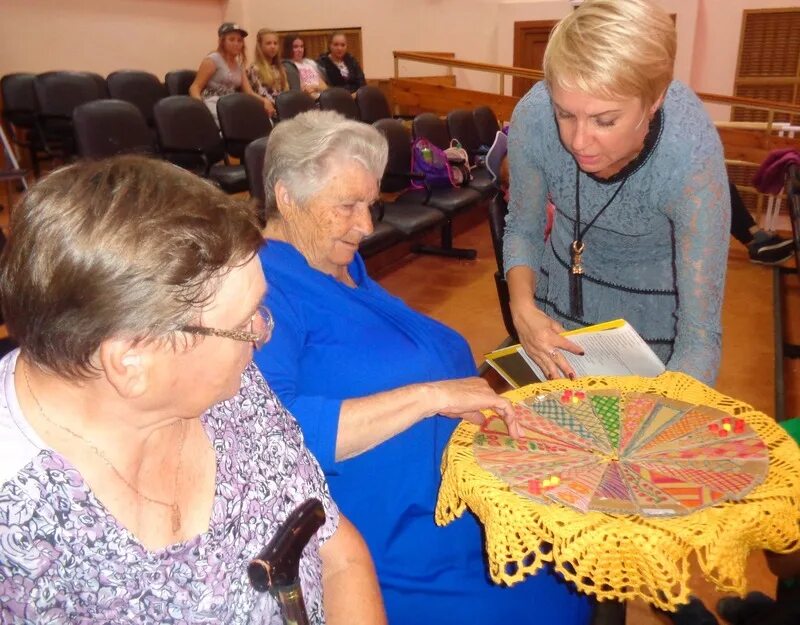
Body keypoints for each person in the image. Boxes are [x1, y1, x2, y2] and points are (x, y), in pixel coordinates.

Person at [0, 156, 385, 625]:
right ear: (131, 361)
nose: (264, 331)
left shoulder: (230, 388)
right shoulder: (20, 528)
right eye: (244, 322)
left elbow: (337, 551)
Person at [252, 110, 594, 625]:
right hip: (395, 542)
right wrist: (431, 397)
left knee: (584, 554)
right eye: (346, 206)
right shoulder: (266, 290)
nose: (366, 226)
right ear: (286, 197)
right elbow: (274, 434)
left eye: (370, 205)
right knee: (565, 591)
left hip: (457, 503)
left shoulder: (338, 268)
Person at [504, 0, 730, 386]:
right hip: (558, 310)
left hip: (653, 334)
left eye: (605, 120)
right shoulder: (535, 115)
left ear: (655, 99)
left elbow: (699, 335)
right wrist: (522, 308)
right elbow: (523, 229)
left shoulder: (689, 153)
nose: (578, 141)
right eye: (565, 113)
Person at [189, 22, 271, 123]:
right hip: (213, 103)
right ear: (222, 41)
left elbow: (249, 92)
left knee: (264, 120)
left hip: (231, 104)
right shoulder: (212, 60)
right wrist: (202, 110)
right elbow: (195, 87)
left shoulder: (239, 65)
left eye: (239, 40)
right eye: (232, 39)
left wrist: (264, 101)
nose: (236, 44)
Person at [247, 28, 288, 119]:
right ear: (260, 46)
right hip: (268, 112)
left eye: (275, 43)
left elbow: (285, 91)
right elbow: (262, 94)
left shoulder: (281, 68)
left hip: (284, 109)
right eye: (268, 43)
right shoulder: (255, 69)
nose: (273, 46)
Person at [282, 33, 327, 99]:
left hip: (321, 97)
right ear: (288, 48)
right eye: (295, 47)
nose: (300, 50)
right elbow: (300, 89)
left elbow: (325, 87)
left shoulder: (309, 64)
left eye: (302, 46)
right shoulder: (287, 66)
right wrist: (316, 88)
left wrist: (315, 87)